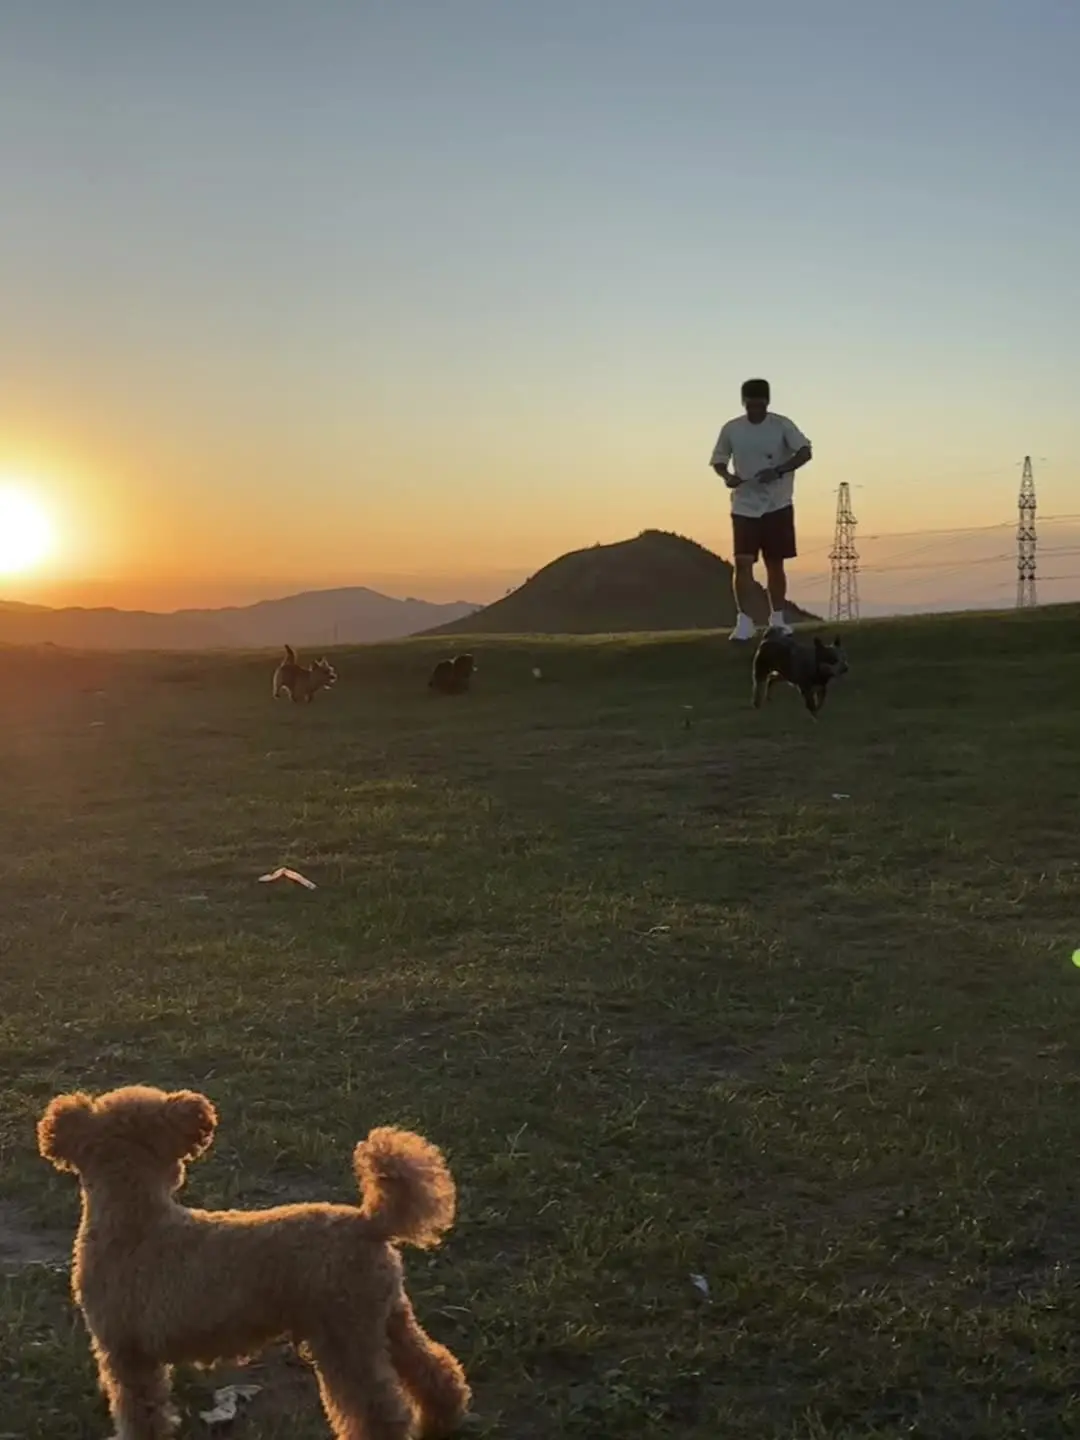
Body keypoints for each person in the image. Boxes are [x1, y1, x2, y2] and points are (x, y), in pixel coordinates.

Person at [710, 378, 812, 641]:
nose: (755, 410)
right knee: (743, 563)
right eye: (750, 405)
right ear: (744, 403)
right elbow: (719, 460)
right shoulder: (732, 429)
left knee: (774, 564)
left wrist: (778, 470)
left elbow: (805, 452)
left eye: (760, 405)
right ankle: (744, 622)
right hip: (744, 505)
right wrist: (727, 476)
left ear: (767, 402)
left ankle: (777, 619)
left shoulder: (782, 425)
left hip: (777, 504)